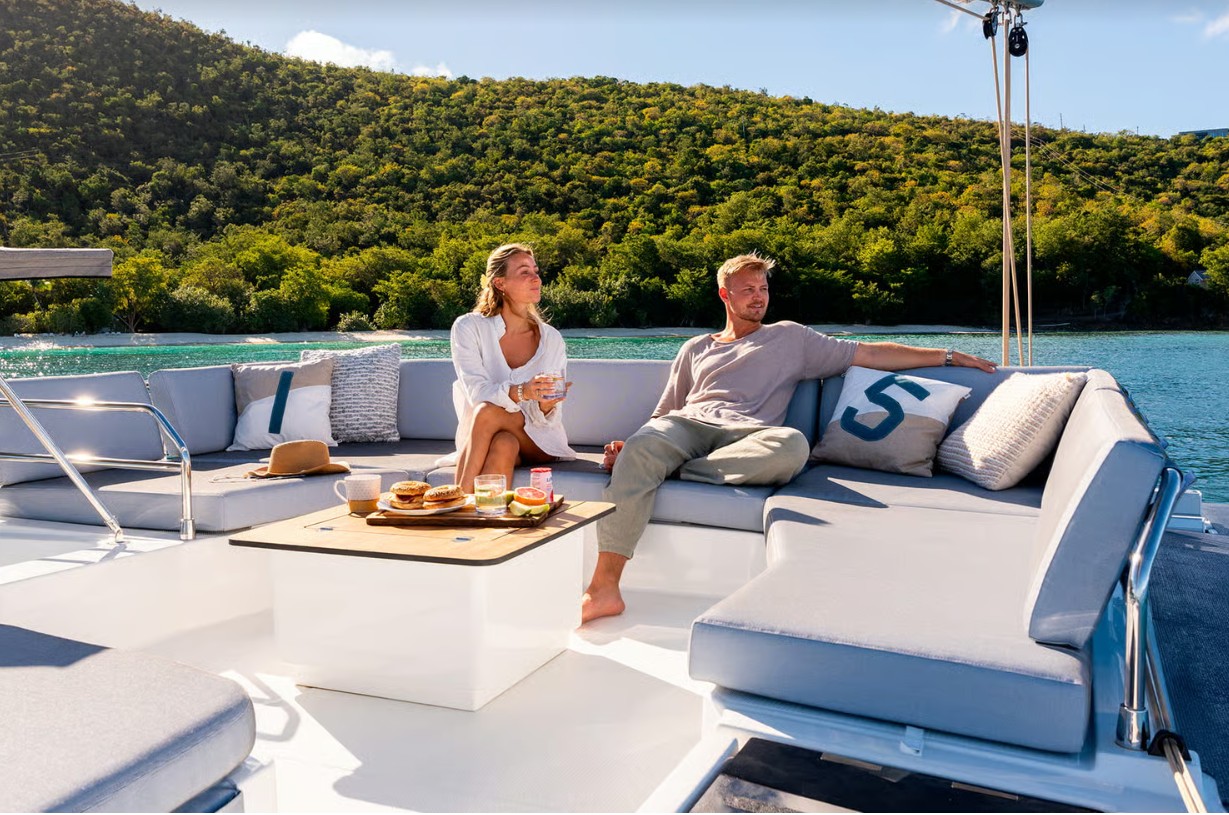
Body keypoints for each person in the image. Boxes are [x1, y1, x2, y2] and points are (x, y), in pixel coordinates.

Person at [582, 252, 996, 623]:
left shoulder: (790, 338)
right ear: (725, 295)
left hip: (753, 434)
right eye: (748, 290)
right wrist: (634, 446)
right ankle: (604, 589)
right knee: (647, 442)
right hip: (690, 424)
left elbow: (868, 353)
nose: (758, 297)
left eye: (763, 289)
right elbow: (665, 413)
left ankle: (667, 470)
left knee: (792, 445)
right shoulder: (695, 347)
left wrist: (946, 356)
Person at [444, 243, 575, 492]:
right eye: (524, 271)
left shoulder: (551, 338)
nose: (536, 278)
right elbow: (476, 393)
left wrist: (546, 404)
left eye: (536, 271)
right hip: (489, 437)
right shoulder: (469, 328)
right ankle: (489, 514)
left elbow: (550, 416)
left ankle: (456, 500)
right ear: (500, 283)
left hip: (540, 440)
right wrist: (523, 391)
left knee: (487, 412)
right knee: (503, 443)